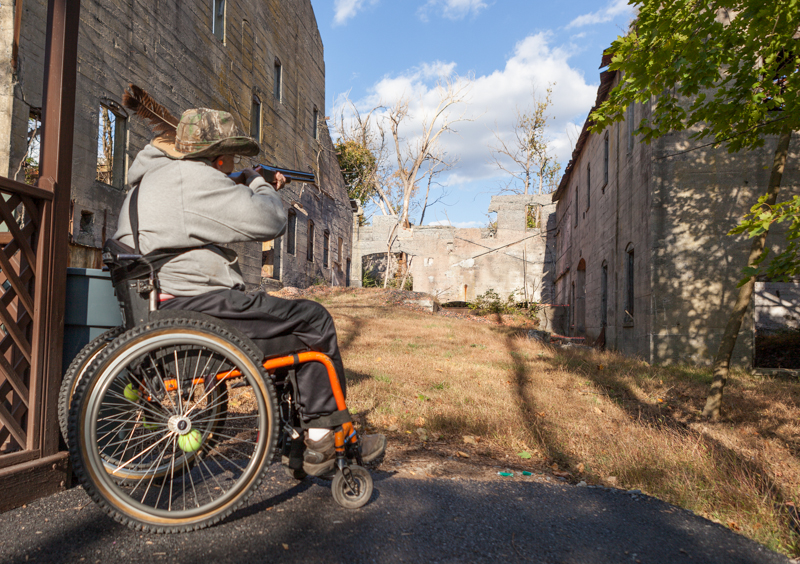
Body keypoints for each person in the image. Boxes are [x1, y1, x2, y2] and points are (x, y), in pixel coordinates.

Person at [113, 108, 385, 476]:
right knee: (312, 321)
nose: (232, 165)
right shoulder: (192, 179)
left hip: (162, 305)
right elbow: (269, 222)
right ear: (219, 157)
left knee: (284, 321)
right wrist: (258, 184)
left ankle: (297, 434)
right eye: (231, 159)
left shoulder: (148, 181)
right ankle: (323, 437)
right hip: (197, 308)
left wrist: (239, 182)